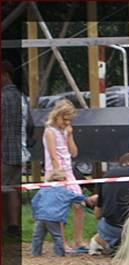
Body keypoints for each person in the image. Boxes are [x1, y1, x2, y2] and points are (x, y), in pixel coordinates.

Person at [43, 98, 86, 253]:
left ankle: (79, 240)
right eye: (64, 120)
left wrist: (69, 136)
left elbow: (74, 153)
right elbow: (54, 155)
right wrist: (58, 174)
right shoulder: (50, 131)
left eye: (69, 120)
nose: (66, 123)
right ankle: (61, 242)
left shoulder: (65, 131)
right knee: (60, 209)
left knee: (79, 205)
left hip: (69, 172)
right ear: (57, 116)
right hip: (57, 173)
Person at [88, 151, 129, 255]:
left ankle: (110, 244)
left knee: (103, 223)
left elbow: (98, 214)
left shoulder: (108, 176)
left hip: (113, 228)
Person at [2, 60, 32, 239]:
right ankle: (13, 226)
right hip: (20, 152)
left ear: (5, 75)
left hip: (4, 152)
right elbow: (31, 125)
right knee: (12, 189)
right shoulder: (22, 97)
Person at [31, 173, 91, 256]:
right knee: (57, 236)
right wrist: (88, 199)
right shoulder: (65, 192)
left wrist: (35, 214)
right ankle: (59, 254)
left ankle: (35, 253)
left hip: (41, 216)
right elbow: (78, 197)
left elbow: (34, 202)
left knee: (37, 236)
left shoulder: (43, 190)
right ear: (63, 181)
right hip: (55, 217)